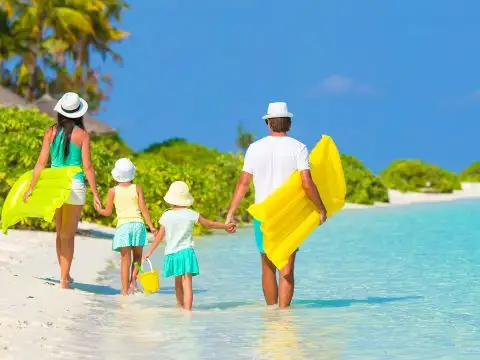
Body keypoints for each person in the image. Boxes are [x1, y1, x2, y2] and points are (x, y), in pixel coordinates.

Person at [225, 101, 327, 308]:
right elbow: (307, 183)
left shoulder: (255, 148)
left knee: (267, 265)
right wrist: (321, 208)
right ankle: (284, 317)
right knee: (287, 267)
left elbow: (243, 183)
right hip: (289, 214)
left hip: (263, 214)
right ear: (288, 122)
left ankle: (271, 314)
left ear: (269, 123)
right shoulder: (298, 148)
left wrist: (231, 213)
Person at [23, 92, 102, 289]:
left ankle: (64, 276)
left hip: (55, 186)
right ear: (78, 113)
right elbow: (88, 168)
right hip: (75, 187)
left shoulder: (50, 132)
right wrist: (96, 194)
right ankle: (65, 279)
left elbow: (41, 162)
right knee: (68, 235)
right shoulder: (82, 135)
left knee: (60, 234)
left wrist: (31, 187)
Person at [143, 181, 236, 310]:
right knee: (188, 284)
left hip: (173, 254)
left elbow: (159, 236)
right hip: (186, 253)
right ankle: (188, 312)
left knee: (178, 284)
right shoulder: (191, 214)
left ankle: (180, 307)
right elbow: (209, 224)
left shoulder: (166, 215)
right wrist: (225, 226)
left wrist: (149, 252)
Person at [94, 158, 158, 295]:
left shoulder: (112, 191)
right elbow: (143, 209)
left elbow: (108, 212)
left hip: (123, 227)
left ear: (116, 174)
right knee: (137, 257)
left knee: (125, 261)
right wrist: (152, 226)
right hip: (138, 225)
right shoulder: (137, 188)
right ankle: (133, 284)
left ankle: (124, 292)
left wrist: (99, 209)